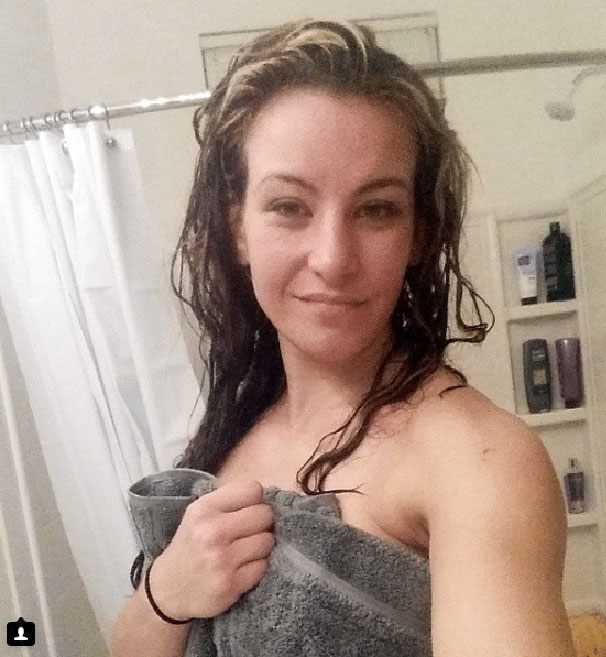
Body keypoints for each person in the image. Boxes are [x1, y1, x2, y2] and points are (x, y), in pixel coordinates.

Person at [110, 18, 576, 657]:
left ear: (418, 233)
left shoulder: (479, 463)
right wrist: (166, 593)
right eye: (289, 207)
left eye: (376, 210)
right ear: (239, 228)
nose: (333, 258)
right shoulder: (238, 427)